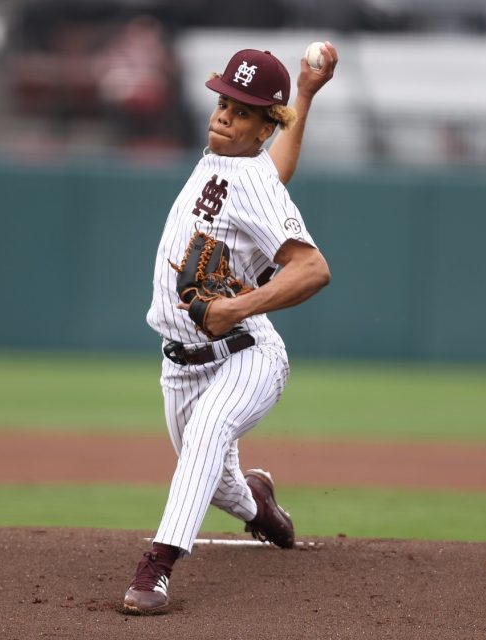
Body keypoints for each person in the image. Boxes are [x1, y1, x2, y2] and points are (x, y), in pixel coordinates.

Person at [123, 42, 339, 615]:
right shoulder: (228, 159)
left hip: (246, 352)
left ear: (265, 124)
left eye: (242, 110)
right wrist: (308, 96)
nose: (224, 115)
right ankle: (261, 507)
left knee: (209, 433)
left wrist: (241, 308)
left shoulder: (250, 179)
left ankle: (157, 567)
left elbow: (312, 269)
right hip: (181, 362)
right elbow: (275, 172)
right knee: (216, 481)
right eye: (224, 102)